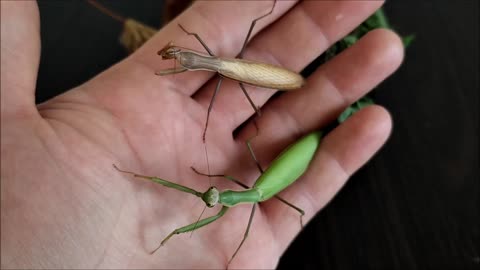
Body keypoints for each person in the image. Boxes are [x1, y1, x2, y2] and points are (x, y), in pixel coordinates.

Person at [1, 1, 404, 269]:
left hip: (271, 105)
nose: (208, 195)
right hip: (284, 157)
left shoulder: (229, 198)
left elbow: (218, 187)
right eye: (211, 197)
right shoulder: (231, 194)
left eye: (209, 195)